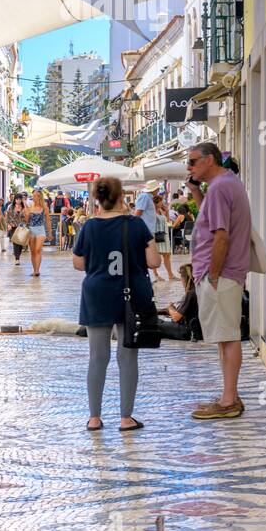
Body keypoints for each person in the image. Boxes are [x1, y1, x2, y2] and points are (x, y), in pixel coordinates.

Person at [73, 177, 159, 432]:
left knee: (97, 357)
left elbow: (78, 263)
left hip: (97, 294)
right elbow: (154, 261)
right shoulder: (136, 225)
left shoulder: (89, 227)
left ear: (97, 199)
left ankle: (94, 418)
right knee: (127, 355)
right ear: (122, 197)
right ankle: (125, 418)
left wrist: (98, 263)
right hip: (129, 295)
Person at [185, 142, 253, 421]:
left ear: (209, 160)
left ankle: (229, 402)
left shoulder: (220, 187)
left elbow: (221, 235)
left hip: (221, 275)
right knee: (224, 337)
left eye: (192, 162)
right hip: (224, 274)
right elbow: (211, 218)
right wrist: (195, 191)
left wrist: (213, 274)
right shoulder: (224, 184)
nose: (189, 167)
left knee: (228, 336)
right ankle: (229, 395)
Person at [159, 263, 201, 341]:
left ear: (184, 278)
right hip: (199, 331)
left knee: (155, 324)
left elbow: (176, 317)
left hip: (188, 332)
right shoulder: (200, 290)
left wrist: (170, 308)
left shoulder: (190, 293)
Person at [25, 189, 53, 277]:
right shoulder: (30, 208)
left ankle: (37, 270)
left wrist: (50, 233)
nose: (34, 197)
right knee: (33, 251)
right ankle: (34, 270)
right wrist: (26, 214)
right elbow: (26, 221)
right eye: (33, 196)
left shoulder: (45, 208)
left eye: (36, 196)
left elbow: (48, 221)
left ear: (40, 197)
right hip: (31, 230)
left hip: (41, 230)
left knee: (38, 250)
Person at [152, 193, 176, 281]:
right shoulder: (152, 212)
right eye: (161, 202)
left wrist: (167, 212)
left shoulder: (161, 211)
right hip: (157, 235)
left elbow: (167, 221)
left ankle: (170, 275)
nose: (162, 203)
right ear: (156, 202)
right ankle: (156, 275)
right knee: (156, 255)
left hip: (164, 234)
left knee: (167, 255)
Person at [4, 194, 27, 265]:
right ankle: (17, 258)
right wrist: (8, 225)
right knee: (15, 242)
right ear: (15, 199)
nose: (18, 200)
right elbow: (7, 216)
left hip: (21, 227)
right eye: (17, 199)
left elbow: (26, 216)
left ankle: (18, 256)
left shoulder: (24, 207)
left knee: (20, 243)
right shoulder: (10, 207)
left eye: (20, 199)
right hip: (13, 226)